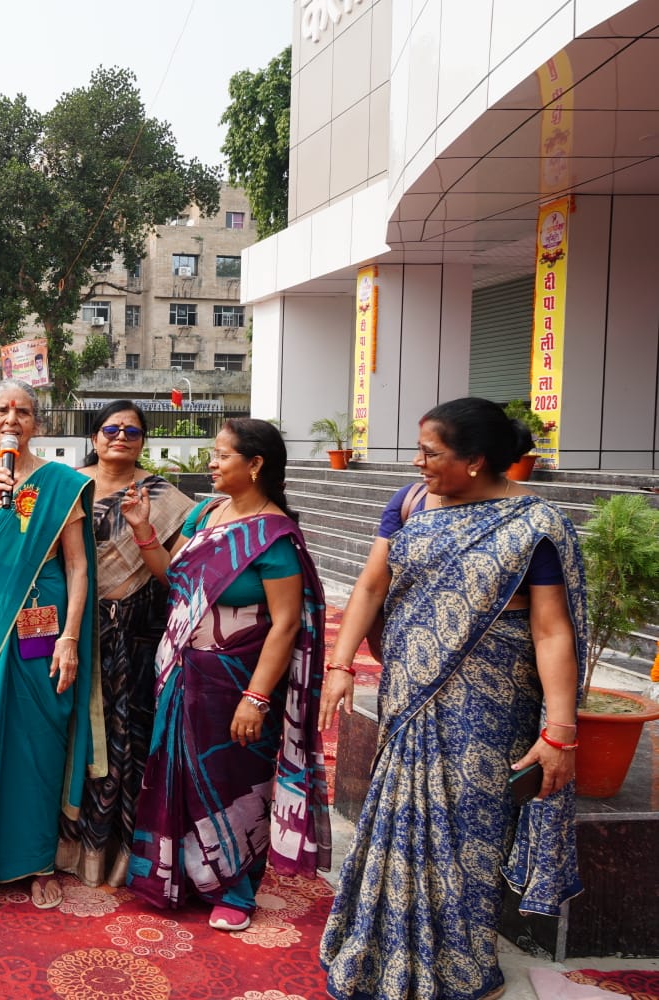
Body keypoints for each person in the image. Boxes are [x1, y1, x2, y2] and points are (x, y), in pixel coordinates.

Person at [319, 398, 587, 1000]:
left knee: (468, 834)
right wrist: (341, 665)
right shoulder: (410, 503)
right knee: (398, 820)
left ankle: (463, 968)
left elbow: (551, 631)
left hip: (489, 705)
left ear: (475, 460)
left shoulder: (532, 525)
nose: (418, 463)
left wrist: (560, 730)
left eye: (430, 453)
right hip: (410, 694)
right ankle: (380, 951)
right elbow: (370, 586)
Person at [128, 417, 331, 933]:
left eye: (222, 455)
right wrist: (142, 530)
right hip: (181, 673)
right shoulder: (207, 513)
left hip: (236, 680)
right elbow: (175, 579)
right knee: (176, 774)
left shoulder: (274, 538)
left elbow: (286, 624)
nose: (211, 463)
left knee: (230, 780)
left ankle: (234, 890)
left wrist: (256, 698)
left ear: (255, 464)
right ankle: (179, 878)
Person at [0, 379, 99, 910]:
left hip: (43, 618)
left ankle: (37, 861)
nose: (12, 419)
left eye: (23, 412)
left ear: (37, 423)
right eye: (3, 410)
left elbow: (77, 566)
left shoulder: (61, 483)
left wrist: (70, 638)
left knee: (39, 736)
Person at [55, 401, 191, 887]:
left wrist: (144, 529)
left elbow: (176, 576)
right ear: (94, 436)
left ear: (143, 441)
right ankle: (59, 846)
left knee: (124, 737)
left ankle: (112, 853)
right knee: (66, 730)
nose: (121, 437)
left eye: (132, 432)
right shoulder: (65, 486)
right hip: (68, 628)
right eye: (111, 429)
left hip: (133, 634)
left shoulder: (166, 497)